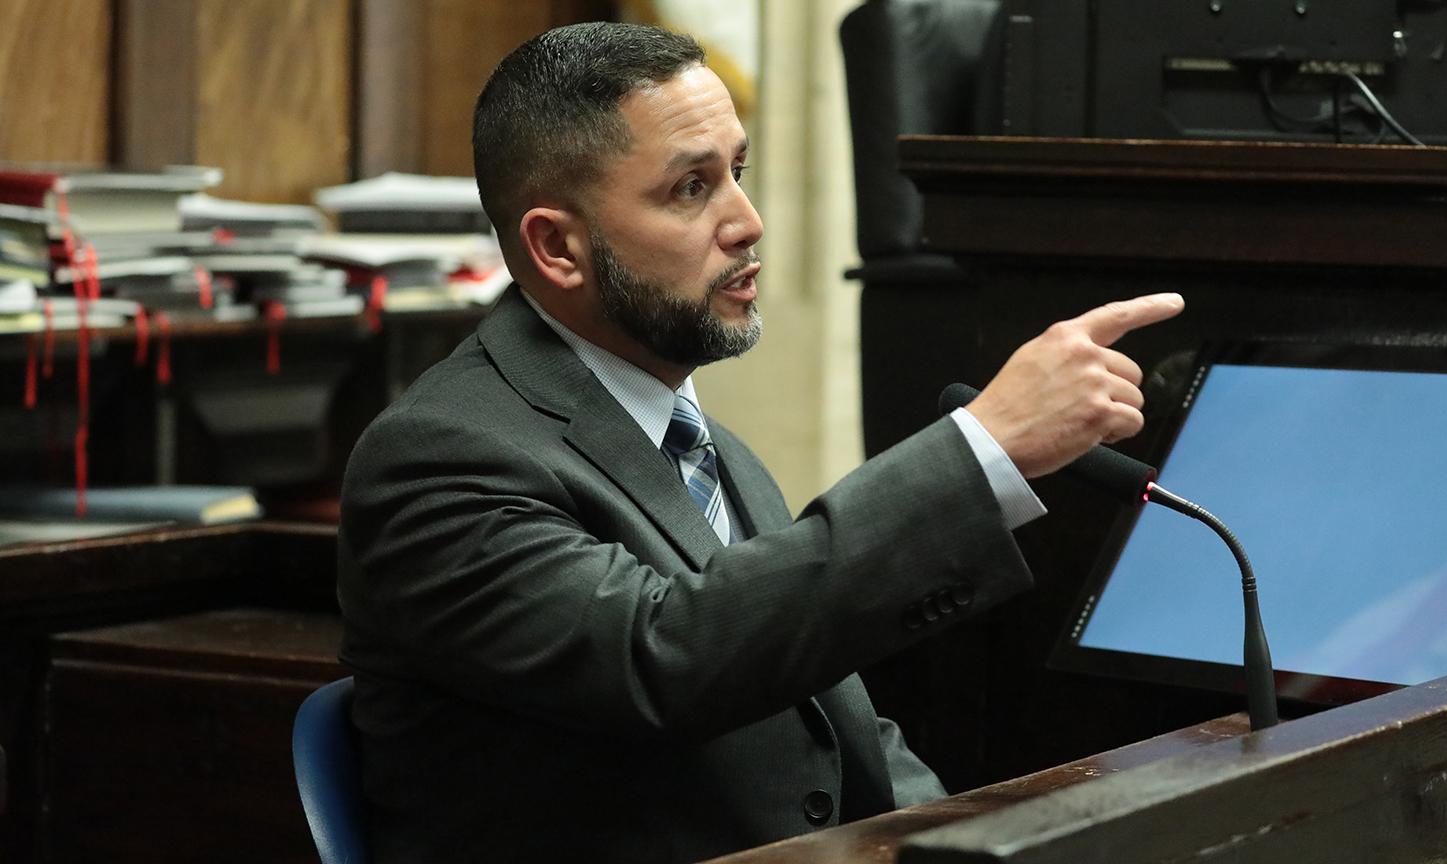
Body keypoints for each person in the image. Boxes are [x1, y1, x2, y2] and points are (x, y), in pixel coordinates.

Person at [336, 21, 1184, 864]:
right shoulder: (439, 457)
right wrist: (983, 451)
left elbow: (834, 723)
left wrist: (968, 844)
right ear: (557, 247)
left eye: (738, 173)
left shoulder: (707, 446)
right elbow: (664, 656)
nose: (748, 222)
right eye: (690, 189)